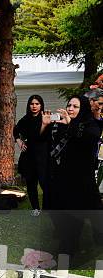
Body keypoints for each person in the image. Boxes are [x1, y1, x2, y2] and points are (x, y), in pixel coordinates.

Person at [43, 95, 102, 257]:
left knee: (90, 213)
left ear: (82, 108)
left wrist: (71, 124)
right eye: (69, 105)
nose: (70, 109)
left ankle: (75, 246)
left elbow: (89, 139)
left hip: (83, 180)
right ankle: (68, 245)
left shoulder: (90, 125)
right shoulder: (61, 125)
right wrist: (45, 124)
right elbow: (47, 144)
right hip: (64, 178)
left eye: (75, 106)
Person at [13, 95, 49, 211]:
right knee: (31, 185)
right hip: (29, 157)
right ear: (29, 105)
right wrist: (19, 141)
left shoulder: (46, 118)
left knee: (45, 184)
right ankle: (35, 209)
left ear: (41, 105)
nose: (34, 106)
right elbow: (15, 130)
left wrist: (44, 124)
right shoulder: (25, 119)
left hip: (43, 156)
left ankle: (47, 208)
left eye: (37, 104)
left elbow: (41, 136)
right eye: (32, 104)